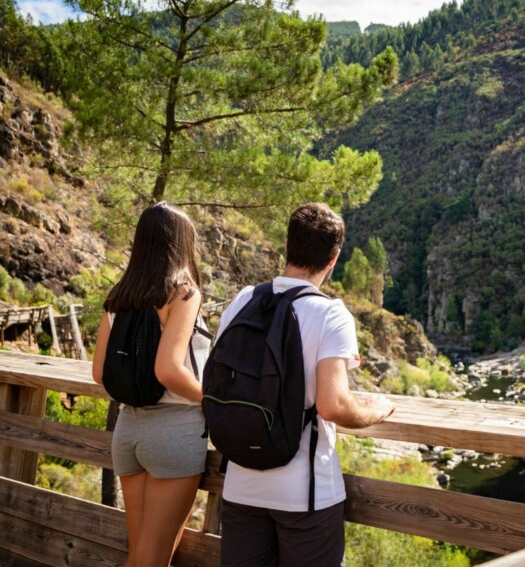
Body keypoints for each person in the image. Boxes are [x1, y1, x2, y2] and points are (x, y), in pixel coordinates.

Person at [217, 202, 395, 567]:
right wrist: (377, 409)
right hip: (304, 493)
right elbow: (332, 405)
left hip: (240, 483)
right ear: (334, 258)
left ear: (287, 244)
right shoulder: (331, 313)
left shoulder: (243, 301)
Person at [91, 202, 210, 566]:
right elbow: (169, 370)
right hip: (173, 433)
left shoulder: (120, 296)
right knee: (154, 559)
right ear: (182, 244)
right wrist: (213, 397)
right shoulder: (183, 293)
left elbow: (99, 373)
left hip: (129, 432)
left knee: (141, 554)